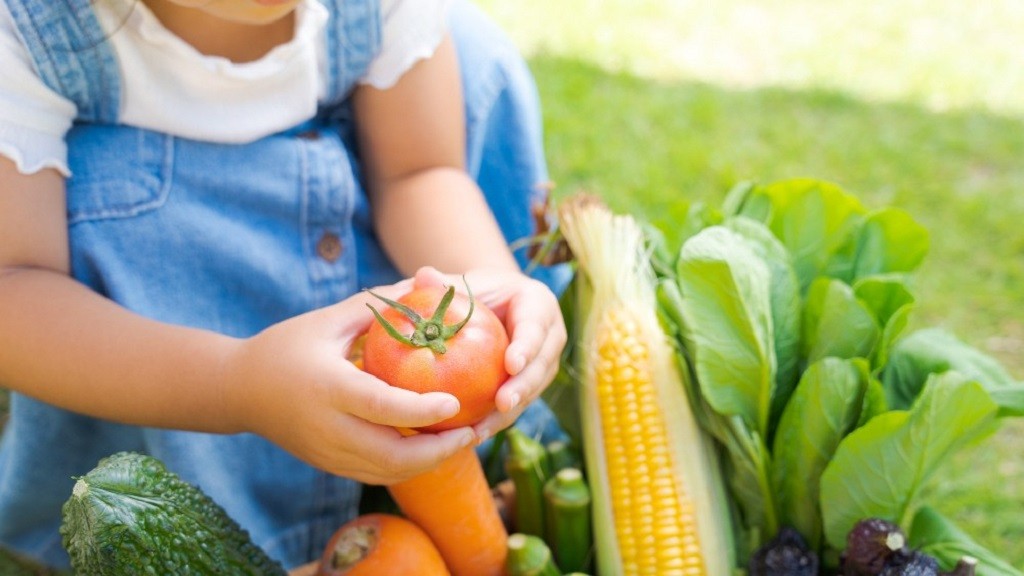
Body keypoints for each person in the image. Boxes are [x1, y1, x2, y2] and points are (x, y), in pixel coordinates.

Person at [0, 0, 569, 570]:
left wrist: (487, 293)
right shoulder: (27, 31)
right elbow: (13, 287)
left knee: (475, 54)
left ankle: (501, 478)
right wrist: (237, 384)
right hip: (162, 378)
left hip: (376, 305)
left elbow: (419, 173)